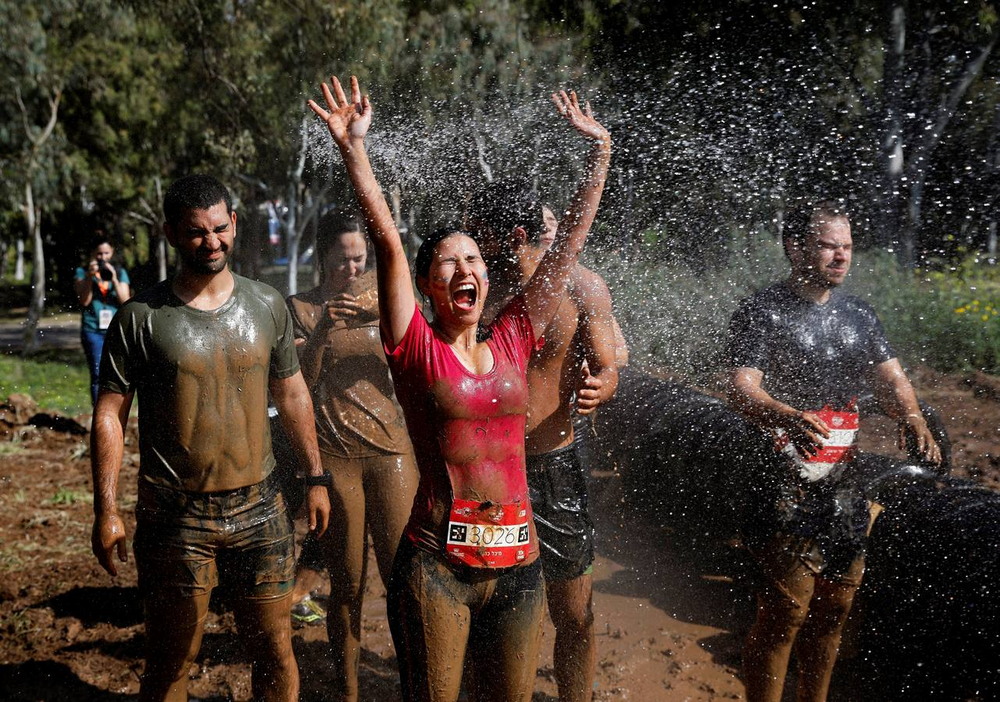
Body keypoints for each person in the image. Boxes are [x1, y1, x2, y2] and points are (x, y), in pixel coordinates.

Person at [308, 75, 610, 702]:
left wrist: (599, 154)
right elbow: (388, 242)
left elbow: (570, 246)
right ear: (427, 284)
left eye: (473, 258)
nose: (465, 269)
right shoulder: (415, 346)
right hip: (438, 565)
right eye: (449, 262)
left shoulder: (514, 336)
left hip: (520, 567)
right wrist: (353, 150)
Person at [89, 174, 331, 702]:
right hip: (176, 516)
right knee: (173, 658)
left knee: (275, 649)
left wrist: (316, 476)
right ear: (173, 233)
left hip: (260, 506)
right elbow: (110, 413)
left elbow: (292, 396)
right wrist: (105, 509)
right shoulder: (140, 318)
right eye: (197, 232)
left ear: (235, 224)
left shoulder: (267, 305)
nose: (212, 241)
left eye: (220, 228)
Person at [725, 198, 942, 702]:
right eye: (828, 246)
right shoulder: (763, 311)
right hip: (779, 478)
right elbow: (739, 388)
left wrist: (911, 415)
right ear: (794, 247)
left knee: (835, 609)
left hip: (844, 481)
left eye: (846, 247)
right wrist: (786, 415)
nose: (841, 257)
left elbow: (892, 379)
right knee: (785, 613)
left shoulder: (859, 316)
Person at [471, 183, 620, 702]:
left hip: (554, 466)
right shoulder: (477, 291)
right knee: (489, 608)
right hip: (487, 472)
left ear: (512, 236)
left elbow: (609, 362)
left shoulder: (581, 287)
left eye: (480, 232)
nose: (471, 242)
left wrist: (604, 384)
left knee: (576, 613)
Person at [285, 209, 419, 701]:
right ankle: (348, 690)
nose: (352, 269)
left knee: (403, 580)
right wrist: (323, 328)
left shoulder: (389, 297)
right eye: (342, 260)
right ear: (322, 259)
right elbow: (300, 381)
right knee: (347, 584)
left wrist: (382, 316)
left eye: (360, 258)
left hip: (392, 452)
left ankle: (417, 686)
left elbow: (423, 352)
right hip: (337, 456)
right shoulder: (298, 308)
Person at [74, 235, 131, 404]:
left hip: (115, 329)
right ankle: (98, 415)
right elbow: (84, 300)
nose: (103, 257)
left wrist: (113, 277)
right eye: (99, 254)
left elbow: (125, 302)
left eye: (106, 253)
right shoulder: (82, 272)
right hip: (92, 329)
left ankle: (113, 413)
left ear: (112, 253)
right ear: (93, 254)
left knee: (118, 374)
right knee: (98, 373)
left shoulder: (120, 272)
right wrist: (90, 277)